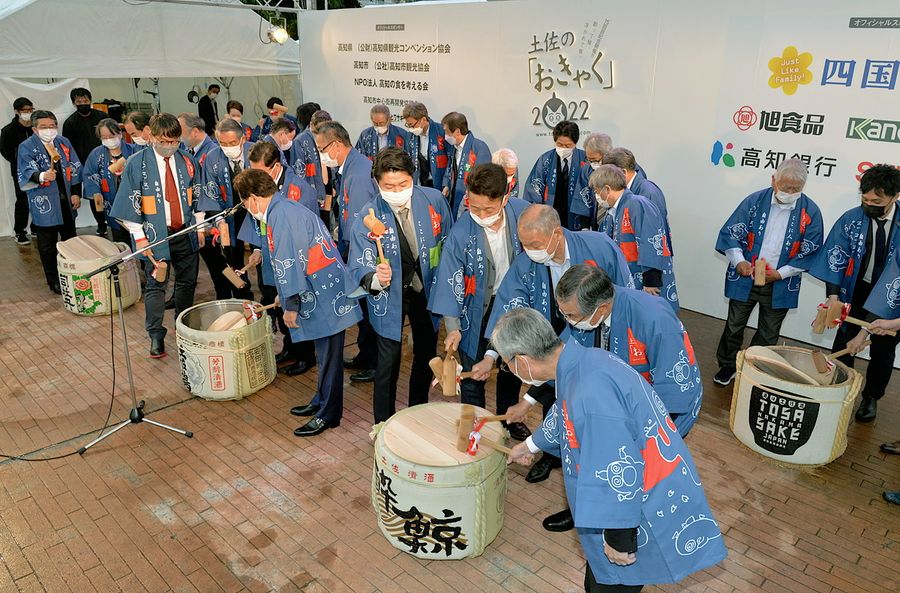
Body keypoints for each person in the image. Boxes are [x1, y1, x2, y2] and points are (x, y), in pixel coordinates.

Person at [499, 308, 727, 593]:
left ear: (522, 360)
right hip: (638, 494)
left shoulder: (589, 394)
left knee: (613, 584)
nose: (509, 370)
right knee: (598, 580)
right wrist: (530, 445)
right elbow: (562, 413)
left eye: (507, 364)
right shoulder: (582, 360)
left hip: (640, 503)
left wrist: (619, 538)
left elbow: (617, 467)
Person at [537, 263, 705, 533]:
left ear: (600, 309)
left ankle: (626, 526)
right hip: (616, 399)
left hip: (662, 407)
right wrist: (533, 397)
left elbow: (674, 388)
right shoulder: (587, 311)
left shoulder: (654, 317)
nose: (568, 320)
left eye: (571, 314)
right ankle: (587, 513)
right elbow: (564, 357)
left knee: (636, 469)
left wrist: (638, 432)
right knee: (591, 450)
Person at [484, 204, 633, 483]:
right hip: (557, 332)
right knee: (559, 397)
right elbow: (510, 302)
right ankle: (553, 455)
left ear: (556, 233)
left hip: (599, 336)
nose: (529, 250)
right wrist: (493, 354)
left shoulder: (599, 247)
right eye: (524, 244)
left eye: (535, 244)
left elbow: (625, 295)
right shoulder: (529, 259)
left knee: (591, 412)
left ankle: (585, 471)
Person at [233, 169, 361, 436]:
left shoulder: (281, 215)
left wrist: (291, 305)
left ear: (254, 198)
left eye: (245, 203)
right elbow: (290, 263)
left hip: (325, 293)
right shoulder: (282, 209)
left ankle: (329, 414)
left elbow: (289, 262)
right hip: (320, 288)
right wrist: (285, 294)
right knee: (325, 355)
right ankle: (321, 401)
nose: (247, 209)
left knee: (329, 356)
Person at [348, 147, 453, 423]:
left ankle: (417, 413)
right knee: (387, 363)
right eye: (388, 186)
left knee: (425, 354)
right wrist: (374, 277)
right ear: (378, 183)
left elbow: (448, 245)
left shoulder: (433, 201)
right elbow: (359, 262)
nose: (396, 191)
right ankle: (384, 424)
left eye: (403, 184)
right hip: (388, 296)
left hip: (426, 290)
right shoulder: (367, 214)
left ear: (413, 178)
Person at [429, 163, 531, 440]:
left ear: (505, 198)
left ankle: (507, 419)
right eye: (475, 208)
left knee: (511, 367)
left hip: (514, 304)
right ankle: (477, 426)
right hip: (476, 307)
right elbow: (451, 280)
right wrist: (452, 327)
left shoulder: (523, 214)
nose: (481, 215)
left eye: (488, 209)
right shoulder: (462, 231)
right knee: (474, 369)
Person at [712, 159, 823, 385]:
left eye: (796, 189)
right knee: (734, 325)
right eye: (786, 187)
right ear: (774, 180)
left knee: (769, 332)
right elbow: (732, 233)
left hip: (781, 282)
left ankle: (755, 368)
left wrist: (781, 273)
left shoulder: (810, 212)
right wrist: (739, 261)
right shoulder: (754, 202)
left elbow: (811, 250)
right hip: (746, 276)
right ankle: (728, 365)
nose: (790, 192)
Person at [803, 164, 900, 422]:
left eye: (877, 201)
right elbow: (835, 255)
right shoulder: (852, 218)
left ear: (895, 196)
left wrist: (865, 330)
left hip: (894, 295)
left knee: (882, 350)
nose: (869, 204)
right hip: (856, 288)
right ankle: (840, 389)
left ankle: (871, 397)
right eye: (865, 199)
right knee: (845, 342)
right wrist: (833, 296)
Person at [110, 113, 206, 358]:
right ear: (150, 136)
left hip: (184, 231)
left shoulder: (187, 160)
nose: (169, 146)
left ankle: (184, 328)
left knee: (187, 282)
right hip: (153, 235)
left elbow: (197, 196)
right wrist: (140, 238)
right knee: (156, 285)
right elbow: (128, 204)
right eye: (164, 141)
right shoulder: (135, 162)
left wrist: (200, 226)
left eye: (174, 141)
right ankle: (155, 335)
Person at [237, 141, 318, 376]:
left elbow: (304, 235)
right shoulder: (260, 190)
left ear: (275, 167)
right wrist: (258, 249)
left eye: (259, 172)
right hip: (270, 259)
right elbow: (258, 221)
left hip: (294, 261)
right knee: (275, 301)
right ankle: (290, 348)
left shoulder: (298, 189)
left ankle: (306, 355)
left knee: (296, 306)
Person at [316, 121, 380, 382]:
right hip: (353, 248)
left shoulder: (358, 174)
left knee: (370, 309)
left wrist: (351, 257)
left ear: (337, 145)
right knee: (363, 309)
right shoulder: (351, 168)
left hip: (364, 254)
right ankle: (365, 355)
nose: (320, 155)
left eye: (322, 149)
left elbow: (363, 224)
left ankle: (375, 362)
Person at [592, 164, 679, 312]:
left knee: (653, 317)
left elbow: (651, 239)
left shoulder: (638, 204)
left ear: (607, 189)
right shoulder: (612, 212)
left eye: (596, 191)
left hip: (645, 281)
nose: (596, 196)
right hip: (628, 278)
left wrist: (651, 280)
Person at [16, 110, 82, 293]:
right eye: (43, 127)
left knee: (70, 240)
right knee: (47, 244)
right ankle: (53, 280)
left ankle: (73, 274)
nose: (49, 130)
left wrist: (76, 192)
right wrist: (42, 175)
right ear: (35, 129)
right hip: (44, 199)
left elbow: (75, 166)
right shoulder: (27, 146)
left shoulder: (63, 142)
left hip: (66, 199)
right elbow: (25, 169)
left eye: (52, 126)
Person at [198, 118, 254, 300]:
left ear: (243, 140)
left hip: (258, 213)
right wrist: (219, 219)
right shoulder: (213, 157)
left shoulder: (256, 151)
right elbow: (210, 191)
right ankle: (243, 298)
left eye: (232, 143)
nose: (228, 147)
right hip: (229, 216)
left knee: (263, 257)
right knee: (234, 260)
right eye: (223, 143)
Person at [523, 121, 591, 231]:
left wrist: (586, 224)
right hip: (550, 217)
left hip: (576, 219)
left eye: (568, 145)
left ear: (575, 143)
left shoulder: (585, 160)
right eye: (559, 144)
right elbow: (533, 190)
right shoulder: (545, 160)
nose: (563, 148)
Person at [83, 118, 139, 246]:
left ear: (120, 134)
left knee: (139, 239)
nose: (108, 139)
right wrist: (96, 193)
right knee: (120, 241)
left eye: (111, 136)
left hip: (134, 203)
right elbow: (89, 175)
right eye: (104, 137)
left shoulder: (133, 150)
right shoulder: (96, 155)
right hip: (112, 203)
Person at [602, 148, 671, 248]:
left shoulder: (649, 192)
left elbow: (654, 236)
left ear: (623, 172)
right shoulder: (620, 191)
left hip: (642, 259)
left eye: (608, 175)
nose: (606, 179)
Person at [63, 87, 107, 236]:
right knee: (94, 195)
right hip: (85, 166)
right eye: (79, 101)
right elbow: (67, 149)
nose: (83, 103)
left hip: (106, 161)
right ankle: (101, 224)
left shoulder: (102, 117)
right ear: (74, 103)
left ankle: (115, 221)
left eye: (86, 101)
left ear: (90, 101)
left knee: (111, 191)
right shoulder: (70, 123)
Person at [440, 111, 491, 218]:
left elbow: (482, 179)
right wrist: (446, 185)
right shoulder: (453, 146)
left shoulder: (479, 148)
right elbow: (449, 168)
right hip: (453, 196)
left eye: (447, 133)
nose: (445, 136)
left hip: (469, 203)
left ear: (457, 131)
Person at [0, 97, 35, 244]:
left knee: (38, 197)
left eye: (30, 110)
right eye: (24, 111)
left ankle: (36, 226)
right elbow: (5, 150)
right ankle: (19, 231)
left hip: (39, 169)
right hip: (20, 170)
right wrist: (17, 162)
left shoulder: (36, 127)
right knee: (22, 200)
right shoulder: (8, 130)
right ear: (17, 112)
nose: (27, 113)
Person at [401, 101, 453, 190]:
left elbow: (451, 160)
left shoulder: (442, 131)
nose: (411, 128)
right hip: (420, 181)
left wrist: (447, 183)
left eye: (412, 125)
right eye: (408, 125)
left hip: (439, 181)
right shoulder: (410, 136)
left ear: (423, 120)